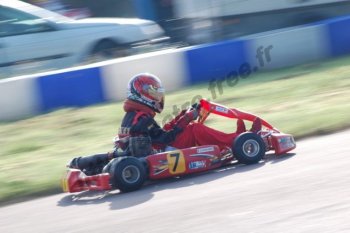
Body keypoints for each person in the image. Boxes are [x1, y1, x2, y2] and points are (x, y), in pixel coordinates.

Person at [69, 73, 261, 174]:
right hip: (158, 153)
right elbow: (167, 138)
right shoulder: (141, 118)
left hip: (151, 149)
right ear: (142, 94)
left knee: (184, 125)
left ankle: (233, 140)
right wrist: (187, 120)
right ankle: (235, 142)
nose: (157, 96)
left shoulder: (135, 115)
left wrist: (182, 117)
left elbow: (160, 133)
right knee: (194, 129)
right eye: (153, 93)